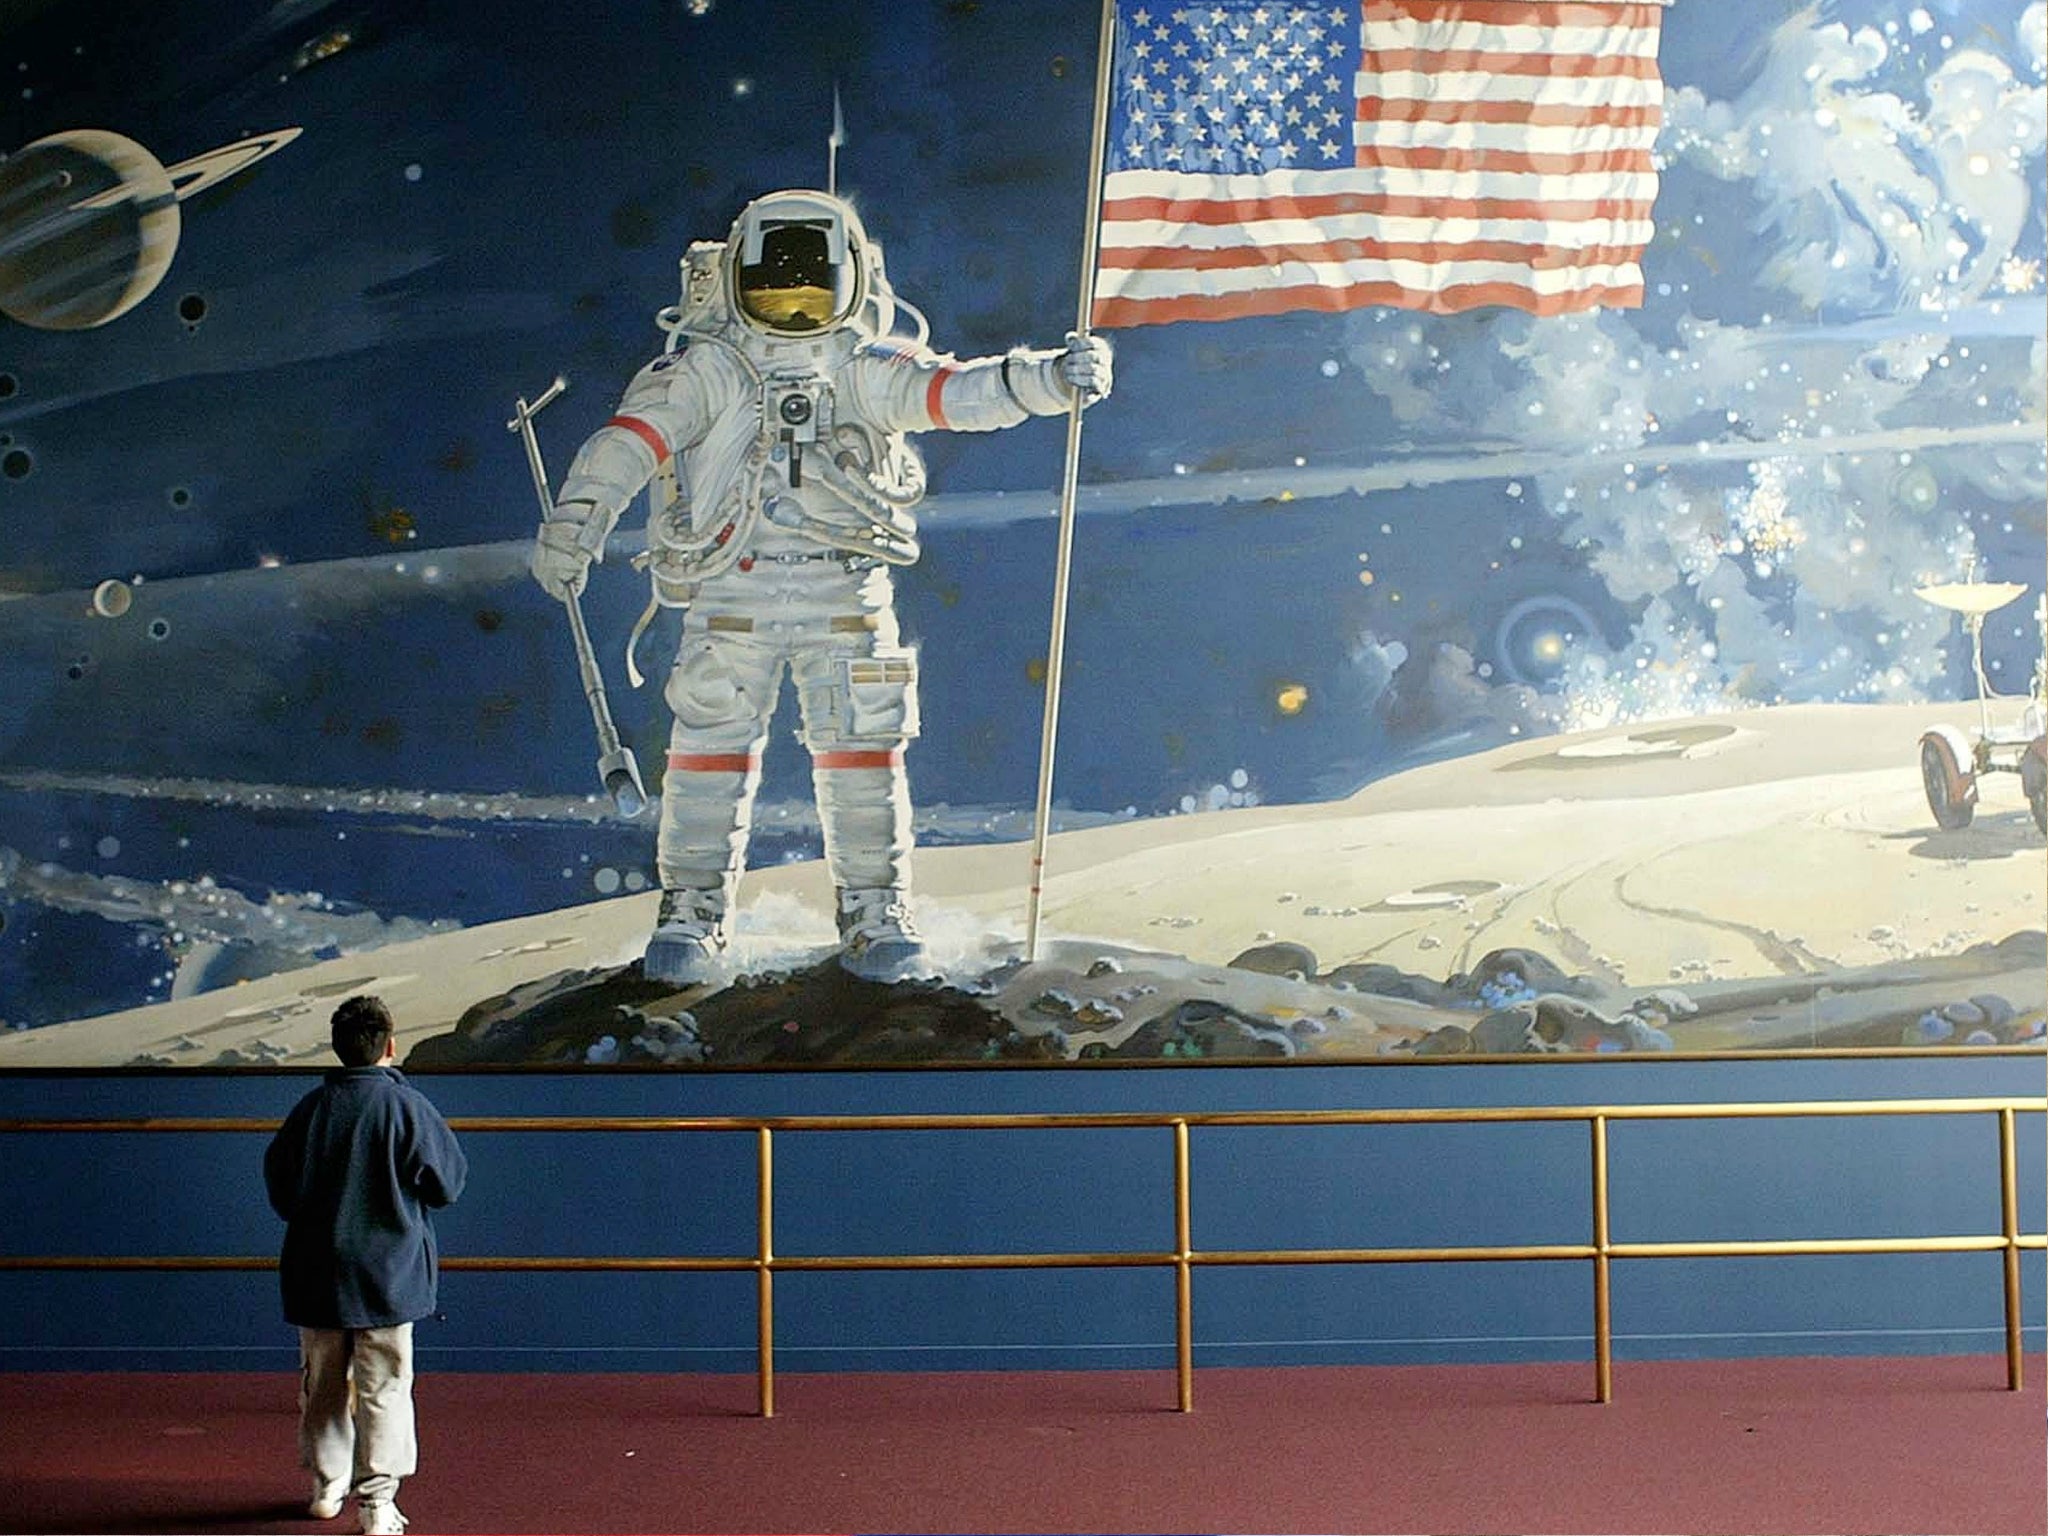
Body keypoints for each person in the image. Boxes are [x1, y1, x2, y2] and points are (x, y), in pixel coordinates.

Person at [530, 187, 1113, 986]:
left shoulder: (867, 369)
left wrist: (1048, 379)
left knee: (864, 759)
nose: (795, 310)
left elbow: (956, 393)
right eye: (776, 289)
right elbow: (628, 445)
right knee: (708, 754)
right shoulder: (707, 370)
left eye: (810, 291)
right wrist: (576, 527)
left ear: (852, 280)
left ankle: (875, 909)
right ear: (734, 281)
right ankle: (693, 911)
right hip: (733, 594)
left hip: (844, 595)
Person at [264, 996, 468, 1535]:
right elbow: (447, 1185)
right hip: (390, 1275)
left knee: (323, 1382)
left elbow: (281, 1192)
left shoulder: (308, 1110)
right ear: (390, 1046)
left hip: (316, 1271)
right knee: (384, 1388)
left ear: (337, 1047)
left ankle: (326, 1485)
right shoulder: (408, 1108)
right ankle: (377, 1504)